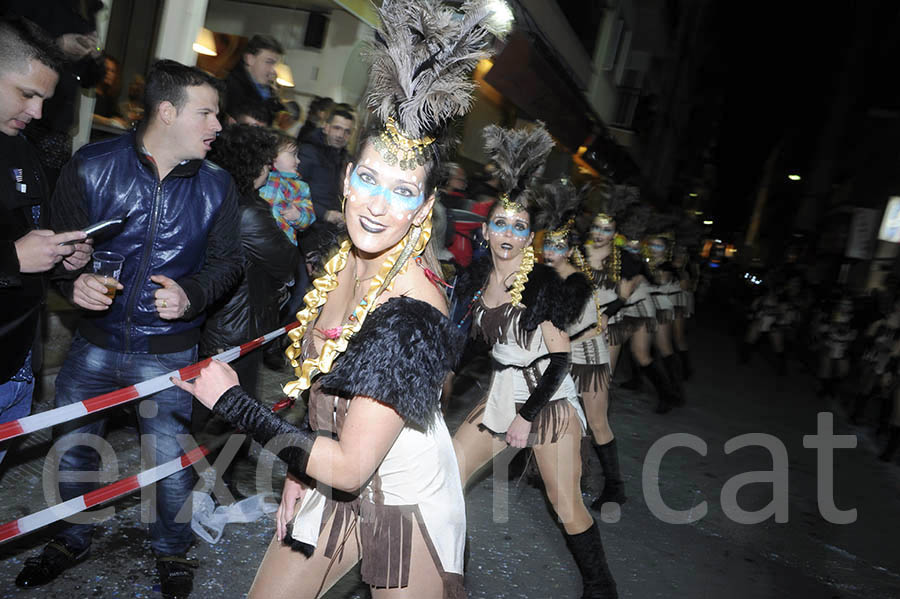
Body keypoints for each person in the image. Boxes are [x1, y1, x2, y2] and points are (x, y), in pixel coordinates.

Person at [169, 1, 499, 596]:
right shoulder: (338, 254)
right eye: (369, 180)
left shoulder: (411, 317)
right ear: (347, 178)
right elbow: (324, 384)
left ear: (425, 209)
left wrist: (237, 403)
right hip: (332, 470)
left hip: (406, 500)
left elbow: (352, 465)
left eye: (402, 191)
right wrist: (302, 465)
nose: (377, 205)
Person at [14, 59, 243, 598]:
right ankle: (70, 536)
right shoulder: (91, 165)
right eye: (206, 113)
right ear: (167, 112)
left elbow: (229, 262)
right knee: (72, 451)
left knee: (169, 460)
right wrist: (75, 287)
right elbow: (56, 255)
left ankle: (171, 549)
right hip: (92, 345)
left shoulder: (217, 185)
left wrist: (192, 295)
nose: (217, 126)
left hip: (168, 353)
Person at [451, 124, 618, 599]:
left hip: (548, 401)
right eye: (500, 223)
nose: (509, 232)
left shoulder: (542, 284)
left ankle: (601, 588)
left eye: (520, 226)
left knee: (565, 504)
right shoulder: (476, 278)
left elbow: (562, 359)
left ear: (529, 237)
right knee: (449, 477)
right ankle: (454, 577)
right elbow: (469, 346)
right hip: (503, 392)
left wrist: (527, 416)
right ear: (486, 230)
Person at [0, 18, 92, 467]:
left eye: (44, 100)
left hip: (16, 364)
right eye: (27, 94)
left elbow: (31, 234)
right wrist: (13, 257)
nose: (37, 113)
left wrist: (61, 257)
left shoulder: (22, 147)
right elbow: (14, 253)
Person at [539, 181, 627, 511]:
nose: (552, 251)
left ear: (570, 249)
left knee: (597, 420)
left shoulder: (576, 279)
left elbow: (586, 327)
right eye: (548, 244)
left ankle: (615, 487)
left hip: (588, 359)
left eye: (559, 246)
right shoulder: (548, 273)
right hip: (562, 355)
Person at [2, 0, 106, 191]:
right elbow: (10, 37)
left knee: (40, 192)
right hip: (30, 128)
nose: (36, 111)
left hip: (58, 126)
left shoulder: (87, 9)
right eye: (26, 94)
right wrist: (58, 44)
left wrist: (96, 55)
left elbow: (91, 78)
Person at [259, 131, 316, 335]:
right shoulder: (261, 177)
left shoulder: (300, 186)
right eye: (292, 154)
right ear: (273, 157)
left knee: (278, 294)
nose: (298, 160)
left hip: (283, 251)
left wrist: (297, 214)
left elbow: (309, 217)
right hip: (257, 248)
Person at [297, 108, 354, 227]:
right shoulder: (308, 152)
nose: (340, 135)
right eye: (336, 128)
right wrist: (324, 214)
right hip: (306, 224)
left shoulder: (344, 158)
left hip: (328, 226)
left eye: (347, 131)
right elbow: (293, 190)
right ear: (326, 128)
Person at [224, 33, 284, 124]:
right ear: (249, 59)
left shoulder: (270, 94)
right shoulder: (228, 89)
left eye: (276, 65)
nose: (274, 71)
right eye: (269, 62)